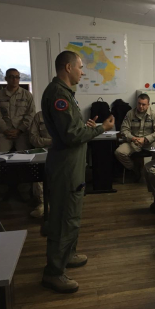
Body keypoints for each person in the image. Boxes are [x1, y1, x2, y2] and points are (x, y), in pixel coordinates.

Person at [41, 51, 115, 293]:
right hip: (65, 167)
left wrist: (86, 127)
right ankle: (54, 272)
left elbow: (71, 130)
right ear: (67, 67)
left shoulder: (65, 94)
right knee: (64, 218)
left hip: (71, 165)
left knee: (71, 214)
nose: (82, 72)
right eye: (80, 67)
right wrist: (101, 128)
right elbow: (71, 136)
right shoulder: (58, 95)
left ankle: (67, 254)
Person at [114, 93, 155, 180]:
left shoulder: (154, 114)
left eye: (143, 104)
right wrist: (132, 138)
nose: (141, 106)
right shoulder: (130, 113)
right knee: (119, 152)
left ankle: (151, 171)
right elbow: (124, 130)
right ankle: (134, 169)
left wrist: (145, 139)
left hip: (149, 141)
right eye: (139, 103)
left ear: (148, 105)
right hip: (133, 141)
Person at [0, 68, 36, 152]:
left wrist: (19, 130)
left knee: (25, 155)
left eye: (17, 77)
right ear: (6, 78)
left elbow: (31, 115)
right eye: (11, 77)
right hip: (3, 132)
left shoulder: (27, 95)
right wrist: (5, 130)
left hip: (22, 131)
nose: (14, 79)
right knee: (1, 156)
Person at [28, 111, 52, 218]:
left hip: (61, 151)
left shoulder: (66, 113)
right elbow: (33, 139)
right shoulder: (39, 116)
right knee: (38, 173)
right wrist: (50, 142)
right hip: (43, 149)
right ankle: (42, 204)